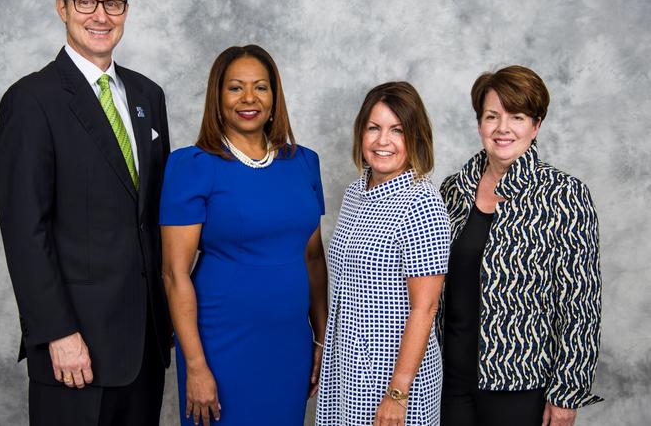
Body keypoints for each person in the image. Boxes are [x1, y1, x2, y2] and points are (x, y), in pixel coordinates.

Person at [0, 0, 171, 425]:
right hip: (75, 348)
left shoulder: (148, 97)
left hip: (145, 343)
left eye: (113, 3)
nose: (101, 15)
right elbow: (24, 231)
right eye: (86, 1)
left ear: (126, 11)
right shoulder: (31, 101)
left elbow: (150, 215)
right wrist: (58, 333)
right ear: (62, 7)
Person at [160, 44, 328, 426]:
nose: (249, 98)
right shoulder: (192, 166)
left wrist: (320, 337)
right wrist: (196, 365)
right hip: (221, 344)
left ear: (274, 97)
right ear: (218, 98)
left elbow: (313, 257)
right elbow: (174, 274)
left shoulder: (304, 162)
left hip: (289, 344)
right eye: (236, 88)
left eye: (261, 87)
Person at [438, 65, 602, 426]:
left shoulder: (564, 195)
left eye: (517, 117)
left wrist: (567, 393)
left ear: (536, 125)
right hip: (447, 380)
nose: (502, 129)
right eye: (492, 116)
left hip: (521, 383)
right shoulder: (452, 190)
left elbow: (581, 304)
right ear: (479, 122)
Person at [316, 82, 450, 426]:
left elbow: (426, 306)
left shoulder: (421, 202)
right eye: (373, 128)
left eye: (397, 130)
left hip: (394, 377)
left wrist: (397, 394)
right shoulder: (354, 194)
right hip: (347, 367)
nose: (382, 141)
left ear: (415, 137)